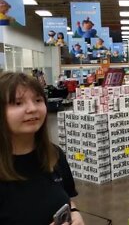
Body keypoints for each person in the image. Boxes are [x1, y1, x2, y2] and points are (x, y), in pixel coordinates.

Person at [0, 72, 84, 225]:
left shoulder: (54, 155)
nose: (32, 109)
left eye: (38, 100)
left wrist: (74, 212)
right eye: (18, 103)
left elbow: (67, 198)